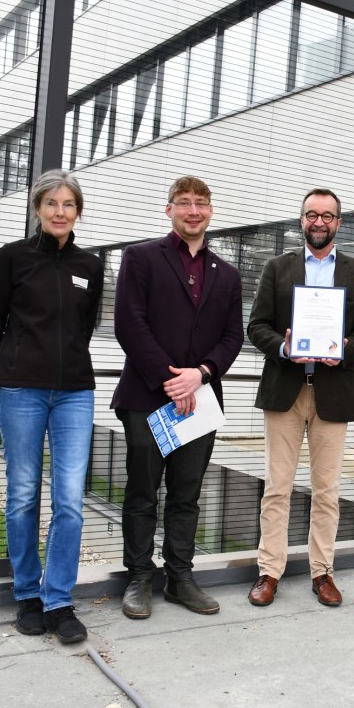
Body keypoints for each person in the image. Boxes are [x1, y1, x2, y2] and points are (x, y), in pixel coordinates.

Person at [112, 176, 244, 620]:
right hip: (147, 396)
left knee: (187, 495)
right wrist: (171, 380)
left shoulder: (227, 273)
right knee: (142, 492)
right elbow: (129, 323)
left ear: (211, 211)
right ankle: (138, 577)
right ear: (168, 209)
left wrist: (199, 375)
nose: (193, 210)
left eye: (201, 203)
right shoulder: (141, 257)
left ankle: (180, 577)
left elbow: (232, 336)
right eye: (184, 203)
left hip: (201, 399)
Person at [0, 169, 103, 644]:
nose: (59, 212)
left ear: (78, 212)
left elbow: (84, 327)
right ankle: (28, 594)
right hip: (22, 392)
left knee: (69, 500)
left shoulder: (90, 265)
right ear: (37, 209)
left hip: (75, 392)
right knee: (23, 495)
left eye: (68, 204)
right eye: (51, 203)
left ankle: (59, 599)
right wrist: (12, 368)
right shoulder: (12, 257)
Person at [247, 188, 354, 608]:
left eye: (327, 215)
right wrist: (285, 348)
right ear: (301, 220)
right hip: (284, 390)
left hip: (333, 393)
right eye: (311, 215)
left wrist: (345, 349)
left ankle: (322, 572)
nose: (318, 222)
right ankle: (269, 571)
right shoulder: (277, 268)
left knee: (327, 491)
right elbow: (257, 326)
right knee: (277, 488)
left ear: (338, 222)